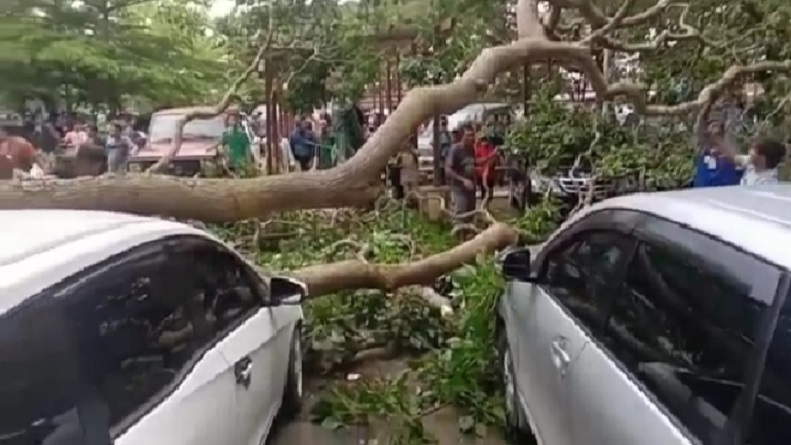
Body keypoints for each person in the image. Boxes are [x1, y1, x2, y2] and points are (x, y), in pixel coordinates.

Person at [715, 134, 786, 185]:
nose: (750, 152)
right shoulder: (751, 164)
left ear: (762, 158)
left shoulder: (768, 182)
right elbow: (734, 157)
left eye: (754, 151)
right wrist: (717, 138)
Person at [693, 117, 742, 187]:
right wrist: (708, 106)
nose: (715, 127)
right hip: (704, 193)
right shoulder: (703, 149)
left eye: (717, 125)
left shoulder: (728, 150)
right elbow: (701, 120)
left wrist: (718, 140)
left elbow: (738, 160)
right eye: (712, 125)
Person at [445, 124, 478, 222]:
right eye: (468, 135)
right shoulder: (455, 149)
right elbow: (448, 169)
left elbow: (474, 163)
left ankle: (468, 235)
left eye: (472, 135)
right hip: (459, 188)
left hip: (471, 188)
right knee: (461, 213)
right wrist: (463, 180)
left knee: (470, 214)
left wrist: (490, 157)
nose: (471, 138)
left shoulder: (471, 149)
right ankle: (458, 234)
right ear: (462, 136)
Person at [475, 130, 499, 204]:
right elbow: (476, 160)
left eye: (485, 139)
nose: (484, 141)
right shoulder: (478, 149)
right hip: (482, 174)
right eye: (483, 139)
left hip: (491, 174)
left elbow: (495, 160)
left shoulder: (491, 149)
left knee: (490, 194)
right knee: (484, 191)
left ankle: (486, 206)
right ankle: (483, 207)